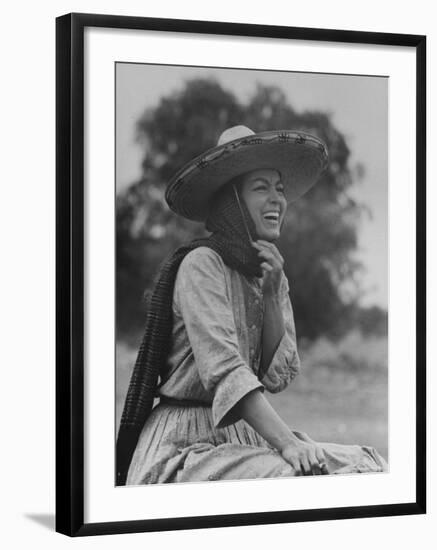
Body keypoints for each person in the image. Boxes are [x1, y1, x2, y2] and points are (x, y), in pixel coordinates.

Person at [116, 125, 388, 486]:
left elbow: (275, 376)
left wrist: (273, 294)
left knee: (368, 464)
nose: (277, 199)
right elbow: (227, 372)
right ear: (232, 201)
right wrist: (288, 444)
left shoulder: (269, 271)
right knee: (300, 475)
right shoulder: (201, 264)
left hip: (242, 436)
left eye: (279, 188)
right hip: (184, 445)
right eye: (261, 188)